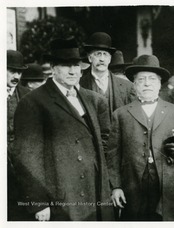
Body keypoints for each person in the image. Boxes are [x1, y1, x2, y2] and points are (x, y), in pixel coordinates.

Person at [11, 38, 114, 221]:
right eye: (66, 65)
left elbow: (103, 144)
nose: (73, 71)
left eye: (76, 65)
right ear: (53, 68)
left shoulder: (91, 99)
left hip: (95, 192)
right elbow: (27, 157)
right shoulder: (33, 102)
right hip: (63, 195)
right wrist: (38, 203)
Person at [106, 54, 174, 221]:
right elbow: (112, 154)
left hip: (167, 186)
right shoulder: (121, 114)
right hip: (132, 186)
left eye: (152, 79)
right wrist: (116, 186)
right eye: (141, 79)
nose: (147, 83)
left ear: (160, 83)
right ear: (134, 84)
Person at [80, 32, 135, 118]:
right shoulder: (79, 85)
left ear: (109, 59)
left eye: (105, 54)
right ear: (90, 58)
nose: (102, 59)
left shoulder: (127, 87)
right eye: (98, 54)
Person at [7, 50, 31, 221]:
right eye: (11, 70)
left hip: (21, 161)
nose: (16, 75)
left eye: (19, 71)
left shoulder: (27, 95)